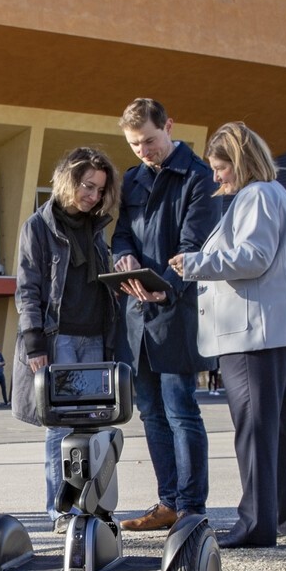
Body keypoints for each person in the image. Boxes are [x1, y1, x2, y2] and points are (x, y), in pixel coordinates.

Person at [169, 121, 286, 549]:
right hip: (276, 329)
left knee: (254, 428)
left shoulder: (256, 196)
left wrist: (196, 263)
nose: (216, 176)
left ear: (239, 162)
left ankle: (256, 523)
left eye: (220, 167)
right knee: (283, 427)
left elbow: (253, 258)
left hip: (254, 333)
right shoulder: (275, 196)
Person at [111, 98, 220, 532]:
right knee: (151, 414)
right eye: (135, 144)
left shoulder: (198, 177)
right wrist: (121, 258)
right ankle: (168, 502)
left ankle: (191, 507)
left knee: (181, 411)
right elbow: (120, 235)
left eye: (150, 141)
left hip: (177, 314)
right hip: (137, 317)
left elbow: (194, 245)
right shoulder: (132, 180)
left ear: (169, 126)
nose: (143, 151)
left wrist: (167, 288)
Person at [15, 146, 120, 521]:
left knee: (94, 426)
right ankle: (61, 509)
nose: (92, 196)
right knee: (59, 429)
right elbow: (28, 288)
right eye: (87, 186)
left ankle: (93, 506)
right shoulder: (38, 227)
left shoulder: (97, 228)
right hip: (57, 340)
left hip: (95, 340)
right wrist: (34, 343)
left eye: (99, 190)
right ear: (68, 180)